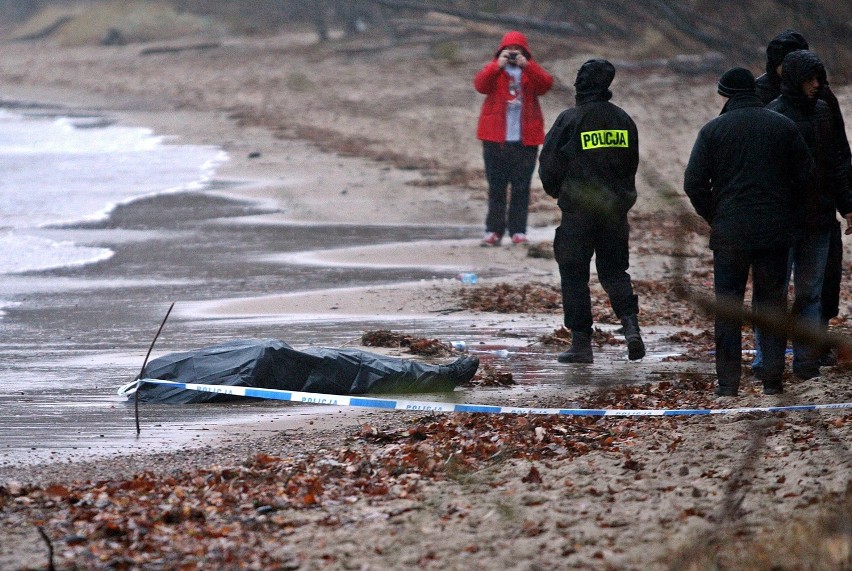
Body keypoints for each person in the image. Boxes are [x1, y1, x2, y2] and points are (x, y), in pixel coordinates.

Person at [683, 67, 813, 396]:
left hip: (730, 233)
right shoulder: (782, 126)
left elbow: (693, 182)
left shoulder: (713, 130)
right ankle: (772, 379)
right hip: (774, 232)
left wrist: (715, 214)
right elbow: (807, 177)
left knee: (728, 308)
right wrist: (789, 215)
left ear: (726, 96)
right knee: (771, 306)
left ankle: (727, 384)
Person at [752, 50, 852, 380]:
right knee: (774, 294)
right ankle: (768, 362)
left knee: (810, 294)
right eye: (810, 79)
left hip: (819, 220)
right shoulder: (772, 115)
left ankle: (806, 363)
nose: (816, 85)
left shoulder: (824, 112)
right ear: (795, 80)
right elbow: (763, 174)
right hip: (783, 223)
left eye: (819, 79)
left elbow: (838, 163)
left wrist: (847, 205)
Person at [538, 59, 644, 363]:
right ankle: (631, 327)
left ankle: (581, 343)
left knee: (573, 275)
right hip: (614, 211)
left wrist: (561, 193)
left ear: (579, 85)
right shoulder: (623, 120)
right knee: (615, 271)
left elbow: (549, 166)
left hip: (578, 212)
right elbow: (631, 164)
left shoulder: (570, 119)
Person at [474, 30, 553, 246]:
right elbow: (480, 85)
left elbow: (546, 85)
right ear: (501, 51)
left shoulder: (529, 72)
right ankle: (494, 231)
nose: (512, 55)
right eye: (509, 51)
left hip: (525, 140)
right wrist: (496, 66)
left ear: (525, 52)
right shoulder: (495, 70)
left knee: (521, 187)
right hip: (495, 139)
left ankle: (518, 231)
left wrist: (527, 65)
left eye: (517, 51)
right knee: (496, 187)